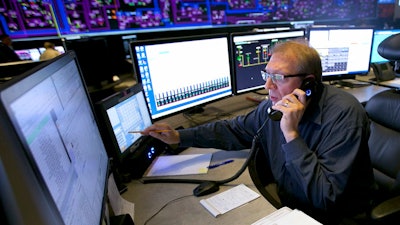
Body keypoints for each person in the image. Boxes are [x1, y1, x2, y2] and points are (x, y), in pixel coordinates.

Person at [141, 40, 375, 224]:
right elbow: (233, 129)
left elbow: (326, 197)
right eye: (267, 75)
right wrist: (181, 136)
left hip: (332, 217)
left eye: (278, 78)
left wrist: (291, 135)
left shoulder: (345, 115)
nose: (268, 87)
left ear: (308, 84)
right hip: (288, 207)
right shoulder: (273, 106)